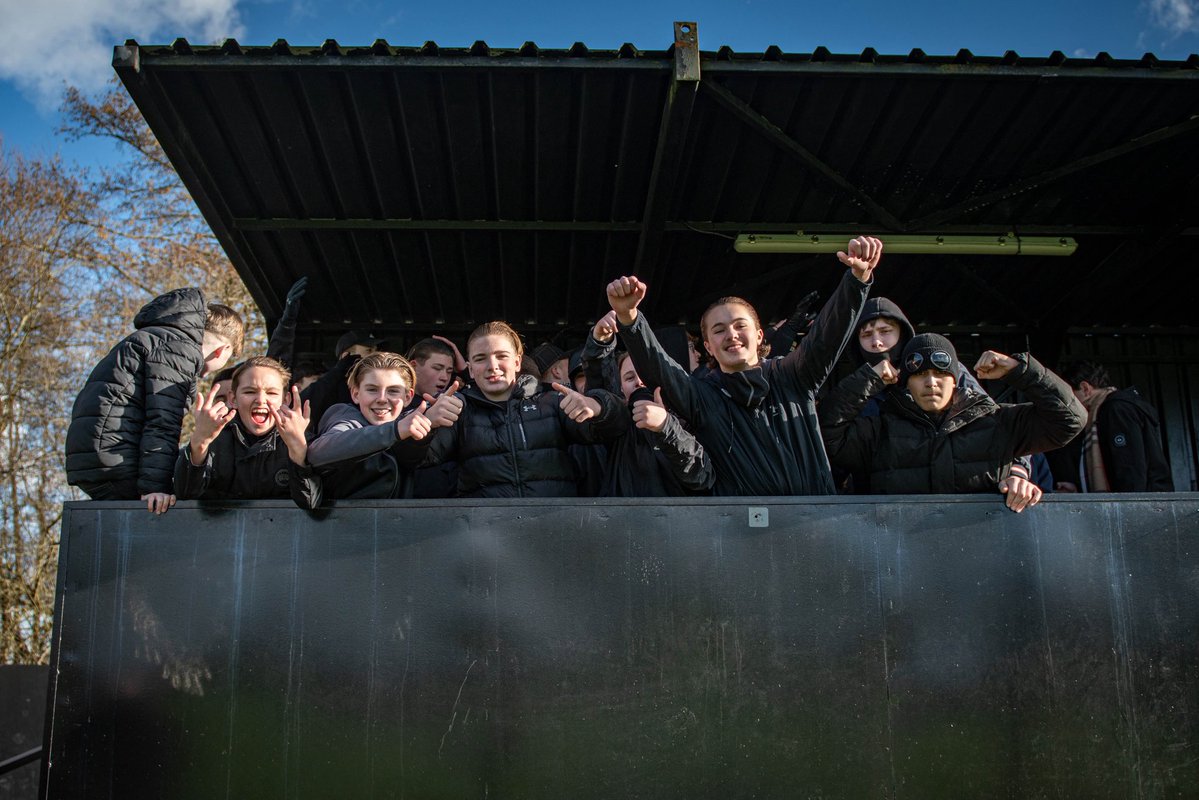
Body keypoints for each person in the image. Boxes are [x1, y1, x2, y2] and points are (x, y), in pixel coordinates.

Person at [606, 237, 882, 496]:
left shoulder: (792, 376)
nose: (731, 334)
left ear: (760, 335)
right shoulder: (703, 397)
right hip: (741, 535)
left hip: (814, 525)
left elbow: (826, 336)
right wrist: (629, 318)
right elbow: (659, 368)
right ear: (708, 347)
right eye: (719, 330)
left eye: (740, 325)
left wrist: (857, 281)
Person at [819, 333, 1086, 510]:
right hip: (901, 568)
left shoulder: (996, 421)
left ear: (956, 378)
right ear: (906, 382)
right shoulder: (880, 431)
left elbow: (1070, 419)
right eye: (920, 375)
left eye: (940, 373)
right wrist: (867, 379)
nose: (931, 382)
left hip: (984, 563)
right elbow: (828, 434)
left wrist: (1020, 370)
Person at [844, 296, 1043, 511]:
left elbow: (997, 424)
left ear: (903, 333)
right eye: (866, 334)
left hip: (962, 505)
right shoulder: (855, 386)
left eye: (885, 331)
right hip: (879, 509)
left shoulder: (944, 368)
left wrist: (1017, 471)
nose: (876, 342)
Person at [65, 288, 244, 514]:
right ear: (222, 350)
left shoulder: (153, 338)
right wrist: (155, 487)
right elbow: (163, 421)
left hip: (93, 458)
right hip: (117, 462)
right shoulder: (180, 350)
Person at [422, 321, 629, 497]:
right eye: (480, 358)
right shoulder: (458, 409)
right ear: (471, 370)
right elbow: (415, 459)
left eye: (501, 355)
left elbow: (614, 430)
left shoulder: (552, 400)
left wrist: (600, 407)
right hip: (485, 535)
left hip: (554, 528)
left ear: (517, 361)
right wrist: (426, 425)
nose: (492, 365)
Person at [174, 356, 321, 509]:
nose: (261, 400)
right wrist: (199, 443)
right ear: (233, 399)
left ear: (286, 400)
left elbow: (311, 503)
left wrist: (298, 453)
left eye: (271, 393)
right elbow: (185, 495)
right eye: (250, 392)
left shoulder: (307, 442)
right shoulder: (214, 440)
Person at [307, 352, 458, 499]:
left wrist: (428, 422)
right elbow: (318, 453)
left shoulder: (408, 423)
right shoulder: (344, 415)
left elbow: (410, 456)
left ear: (408, 397)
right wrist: (395, 430)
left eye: (393, 391)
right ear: (355, 394)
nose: (382, 399)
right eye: (372, 389)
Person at [1057, 361, 1174, 492]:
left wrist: (1130, 506)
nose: (1067, 404)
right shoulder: (1099, 415)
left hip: (1141, 504)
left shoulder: (1116, 409)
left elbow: (1129, 465)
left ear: (1085, 388)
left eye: (1070, 396)